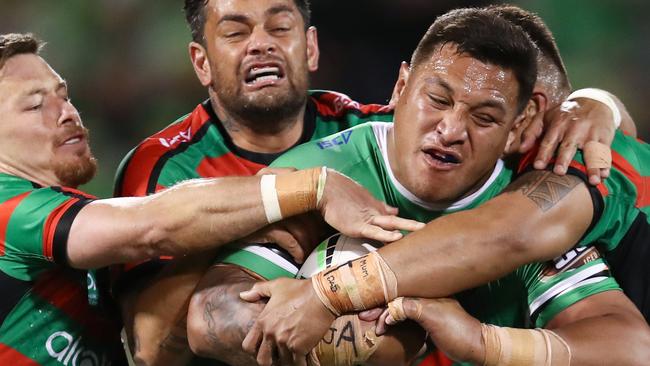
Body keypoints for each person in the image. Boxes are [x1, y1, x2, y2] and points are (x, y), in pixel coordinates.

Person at [115, 0, 636, 364]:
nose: (451, 130)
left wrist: (483, 343)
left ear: (523, 125)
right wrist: (344, 349)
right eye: (437, 100)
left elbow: (629, 345)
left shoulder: (553, 171)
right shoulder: (320, 170)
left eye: (484, 117)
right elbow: (207, 318)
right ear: (401, 86)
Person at [0, 32, 422, 364]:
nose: (68, 112)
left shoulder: (56, 212)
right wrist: (312, 187)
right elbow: (152, 227)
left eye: (64, 94)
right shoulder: (6, 207)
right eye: (36, 105)